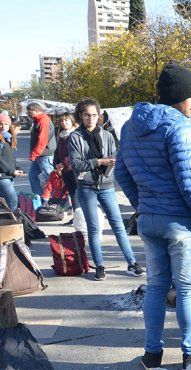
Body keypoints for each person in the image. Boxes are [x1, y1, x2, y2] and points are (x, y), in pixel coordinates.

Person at [115, 62, 191, 370]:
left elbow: (121, 172)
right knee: (188, 289)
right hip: (179, 224)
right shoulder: (179, 128)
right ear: (181, 96)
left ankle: (152, 355)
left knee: (157, 287)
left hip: (149, 220)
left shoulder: (130, 126)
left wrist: (143, 204)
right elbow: (190, 184)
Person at [68, 98, 143, 282]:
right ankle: (100, 266)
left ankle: (132, 263)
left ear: (99, 115)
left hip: (107, 185)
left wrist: (112, 162)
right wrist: (99, 162)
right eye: (87, 115)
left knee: (118, 225)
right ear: (81, 115)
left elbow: (115, 156)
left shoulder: (107, 135)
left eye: (94, 115)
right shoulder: (75, 137)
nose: (91, 118)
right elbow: (77, 164)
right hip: (86, 187)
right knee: (94, 229)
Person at [26, 102, 56, 197]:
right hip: (40, 154)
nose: (28, 114)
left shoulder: (43, 120)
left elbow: (42, 141)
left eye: (29, 112)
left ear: (36, 110)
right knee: (32, 176)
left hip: (44, 155)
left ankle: (55, 198)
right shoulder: (38, 120)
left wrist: (34, 154)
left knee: (50, 178)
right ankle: (39, 197)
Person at [53, 114, 80, 212]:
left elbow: (74, 153)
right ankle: (76, 215)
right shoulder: (61, 134)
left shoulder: (76, 134)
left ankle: (81, 215)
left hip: (74, 168)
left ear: (72, 121)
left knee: (77, 192)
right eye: (62, 121)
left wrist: (63, 164)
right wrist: (56, 164)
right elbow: (57, 151)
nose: (64, 123)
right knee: (71, 192)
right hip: (64, 169)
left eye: (66, 120)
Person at [0, 113, 24, 211]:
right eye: (0, 124)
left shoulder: (8, 138)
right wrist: (11, 171)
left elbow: (10, 158)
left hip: (8, 175)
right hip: (3, 176)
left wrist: (18, 168)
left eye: (5, 124)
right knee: (13, 201)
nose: (3, 126)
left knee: (5, 202)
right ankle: (13, 224)